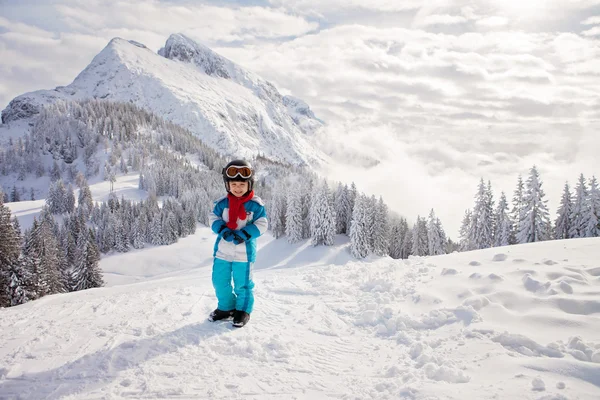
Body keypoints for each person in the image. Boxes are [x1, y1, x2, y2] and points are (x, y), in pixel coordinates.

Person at [208, 159, 268, 327]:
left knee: (242, 284)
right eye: (234, 184)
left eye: (242, 184)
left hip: (244, 253)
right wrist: (222, 229)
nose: (238, 188)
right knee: (219, 281)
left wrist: (245, 234)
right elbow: (213, 217)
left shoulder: (255, 206)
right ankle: (226, 308)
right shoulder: (222, 204)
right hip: (222, 252)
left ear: (250, 184)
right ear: (228, 185)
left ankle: (243, 310)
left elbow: (262, 224)